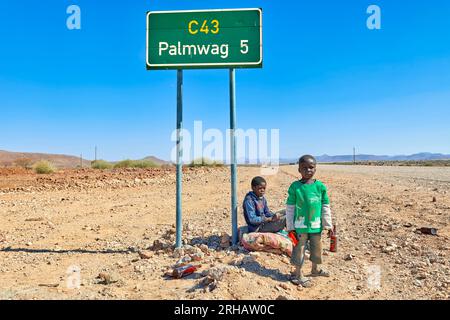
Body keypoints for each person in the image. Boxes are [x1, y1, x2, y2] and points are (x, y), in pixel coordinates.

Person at [286, 155, 333, 287]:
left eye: (311, 167)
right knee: (299, 249)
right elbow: (290, 208)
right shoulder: (295, 187)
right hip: (300, 227)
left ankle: (315, 269)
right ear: (299, 170)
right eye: (304, 168)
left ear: (315, 169)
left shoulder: (320, 187)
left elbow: (325, 207)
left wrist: (328, 225)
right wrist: (290, 227)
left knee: (317, 249)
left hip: (316, 226)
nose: (308, 170)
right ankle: (298, 274)